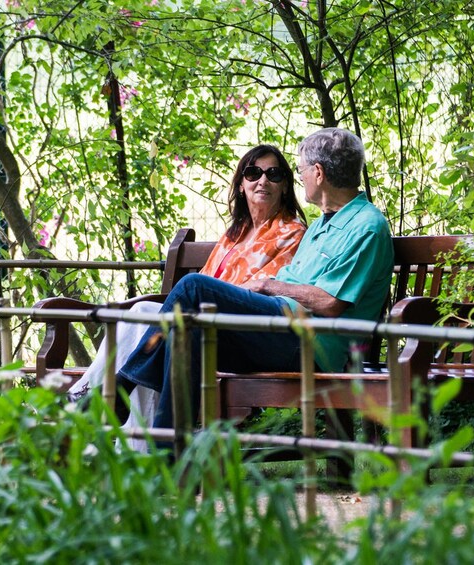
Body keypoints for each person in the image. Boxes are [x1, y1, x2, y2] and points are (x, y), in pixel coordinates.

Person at [115, 128, 394, 433]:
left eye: (300, 169)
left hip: (310, 346)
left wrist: (267, 285)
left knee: (193, 286)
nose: (299, 177)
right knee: (188, 331)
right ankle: (168, 455)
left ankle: (118, 393)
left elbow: (330, 303)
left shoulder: (366, 227)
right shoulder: (322, 224)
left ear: (318, 172)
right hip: (280, 330)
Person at [68, 144, 308, 444]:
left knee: (156, 332)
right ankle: (118, 421)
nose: (262, 181)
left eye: (273, 174)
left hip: (238, 334)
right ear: (242, 184)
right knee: (142, 316)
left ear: (285, 185)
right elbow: (205, 283)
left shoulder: (292, 233)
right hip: (202, 323)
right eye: (253, 173)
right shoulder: (235, 234)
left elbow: (264, 294)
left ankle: (101, 395)